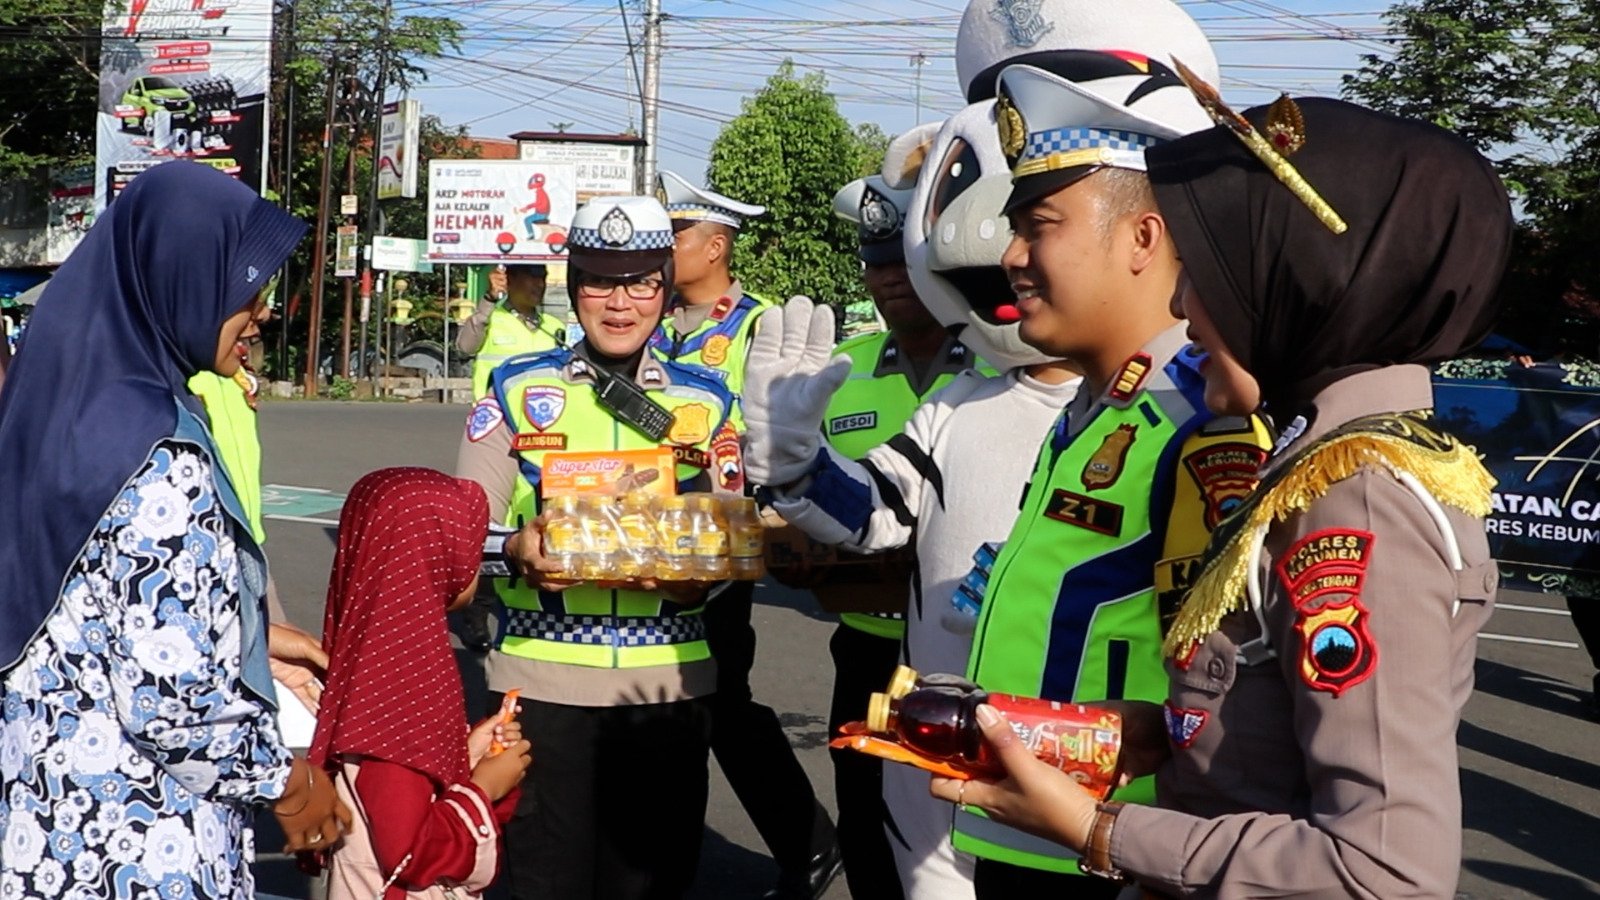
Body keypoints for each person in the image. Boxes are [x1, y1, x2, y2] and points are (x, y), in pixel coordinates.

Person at [931, 92, 1512, 900]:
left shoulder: (1357, 494)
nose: (1178, 305)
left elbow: (1384, 871)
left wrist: (1100, 832)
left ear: (1300, 274)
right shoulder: (1335, 465)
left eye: (1210, 271)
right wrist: (1171, 732)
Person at [742, 108, 1084, 899]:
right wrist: (795, 461)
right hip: (931, 732)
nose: (1019, 277)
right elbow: (873, 509)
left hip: (1085, 747)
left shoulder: (1172, 404)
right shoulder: (961, 404)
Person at [952, 59, 1272, 895]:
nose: (1013, 256)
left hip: (1117, 848)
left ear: (1142, 237)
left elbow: (1232, 689)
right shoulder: (1100, 404)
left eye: (1041, 225)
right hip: (1034, 827)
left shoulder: (1203, 421)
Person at [0, 161, 346, 898]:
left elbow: (85, 609)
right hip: (143, 844)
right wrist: (287, 780)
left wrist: (244, 626)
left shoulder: (56, 416)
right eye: (242, 285)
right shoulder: (160, 454)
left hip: (45, 825)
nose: (260, 311)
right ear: (182, 278)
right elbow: (175, 708)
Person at [455, 195, 736, 900]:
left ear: (665, 289)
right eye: (599, 281)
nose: (620, 303)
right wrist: (516, 547)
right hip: (541, 691)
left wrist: (705, 573)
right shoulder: (518, 389)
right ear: (573, 283)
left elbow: (735, 537)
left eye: (641, 281)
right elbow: (459, 540)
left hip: (667, 691)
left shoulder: (709, 400)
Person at [653, 169, 841, 899]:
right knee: (685, 701)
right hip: (652, 534)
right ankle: (799, 840)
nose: (665, 249)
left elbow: (783, 433)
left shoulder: (759, 326)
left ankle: (802, 840)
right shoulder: (660, 323)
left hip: (726, 538)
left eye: (677, 235)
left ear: (716, 244)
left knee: (713, 698)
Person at [810, 175, 984, 900]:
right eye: (875, 263)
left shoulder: (997, 366)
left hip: (964, 646)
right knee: (866, 816)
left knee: (961, 825)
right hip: (866, 642)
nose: (889, 279)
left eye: (902, 260)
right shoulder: (840, 371)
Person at [311, 467, 531, 900]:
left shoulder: (378, 653)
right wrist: (486, 788)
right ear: (435, 556)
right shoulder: (402, 687)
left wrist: (467, 760)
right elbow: (410, 854)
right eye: (468, 547)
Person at [453, 263, 565, 400]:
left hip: (542, 414)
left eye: (543, 278)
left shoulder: (555, 326)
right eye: (533, 278)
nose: (540, 284)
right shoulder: (489, 319)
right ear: (509, 280)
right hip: (496, 414)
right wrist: (489, 299)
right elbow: (465, 348)